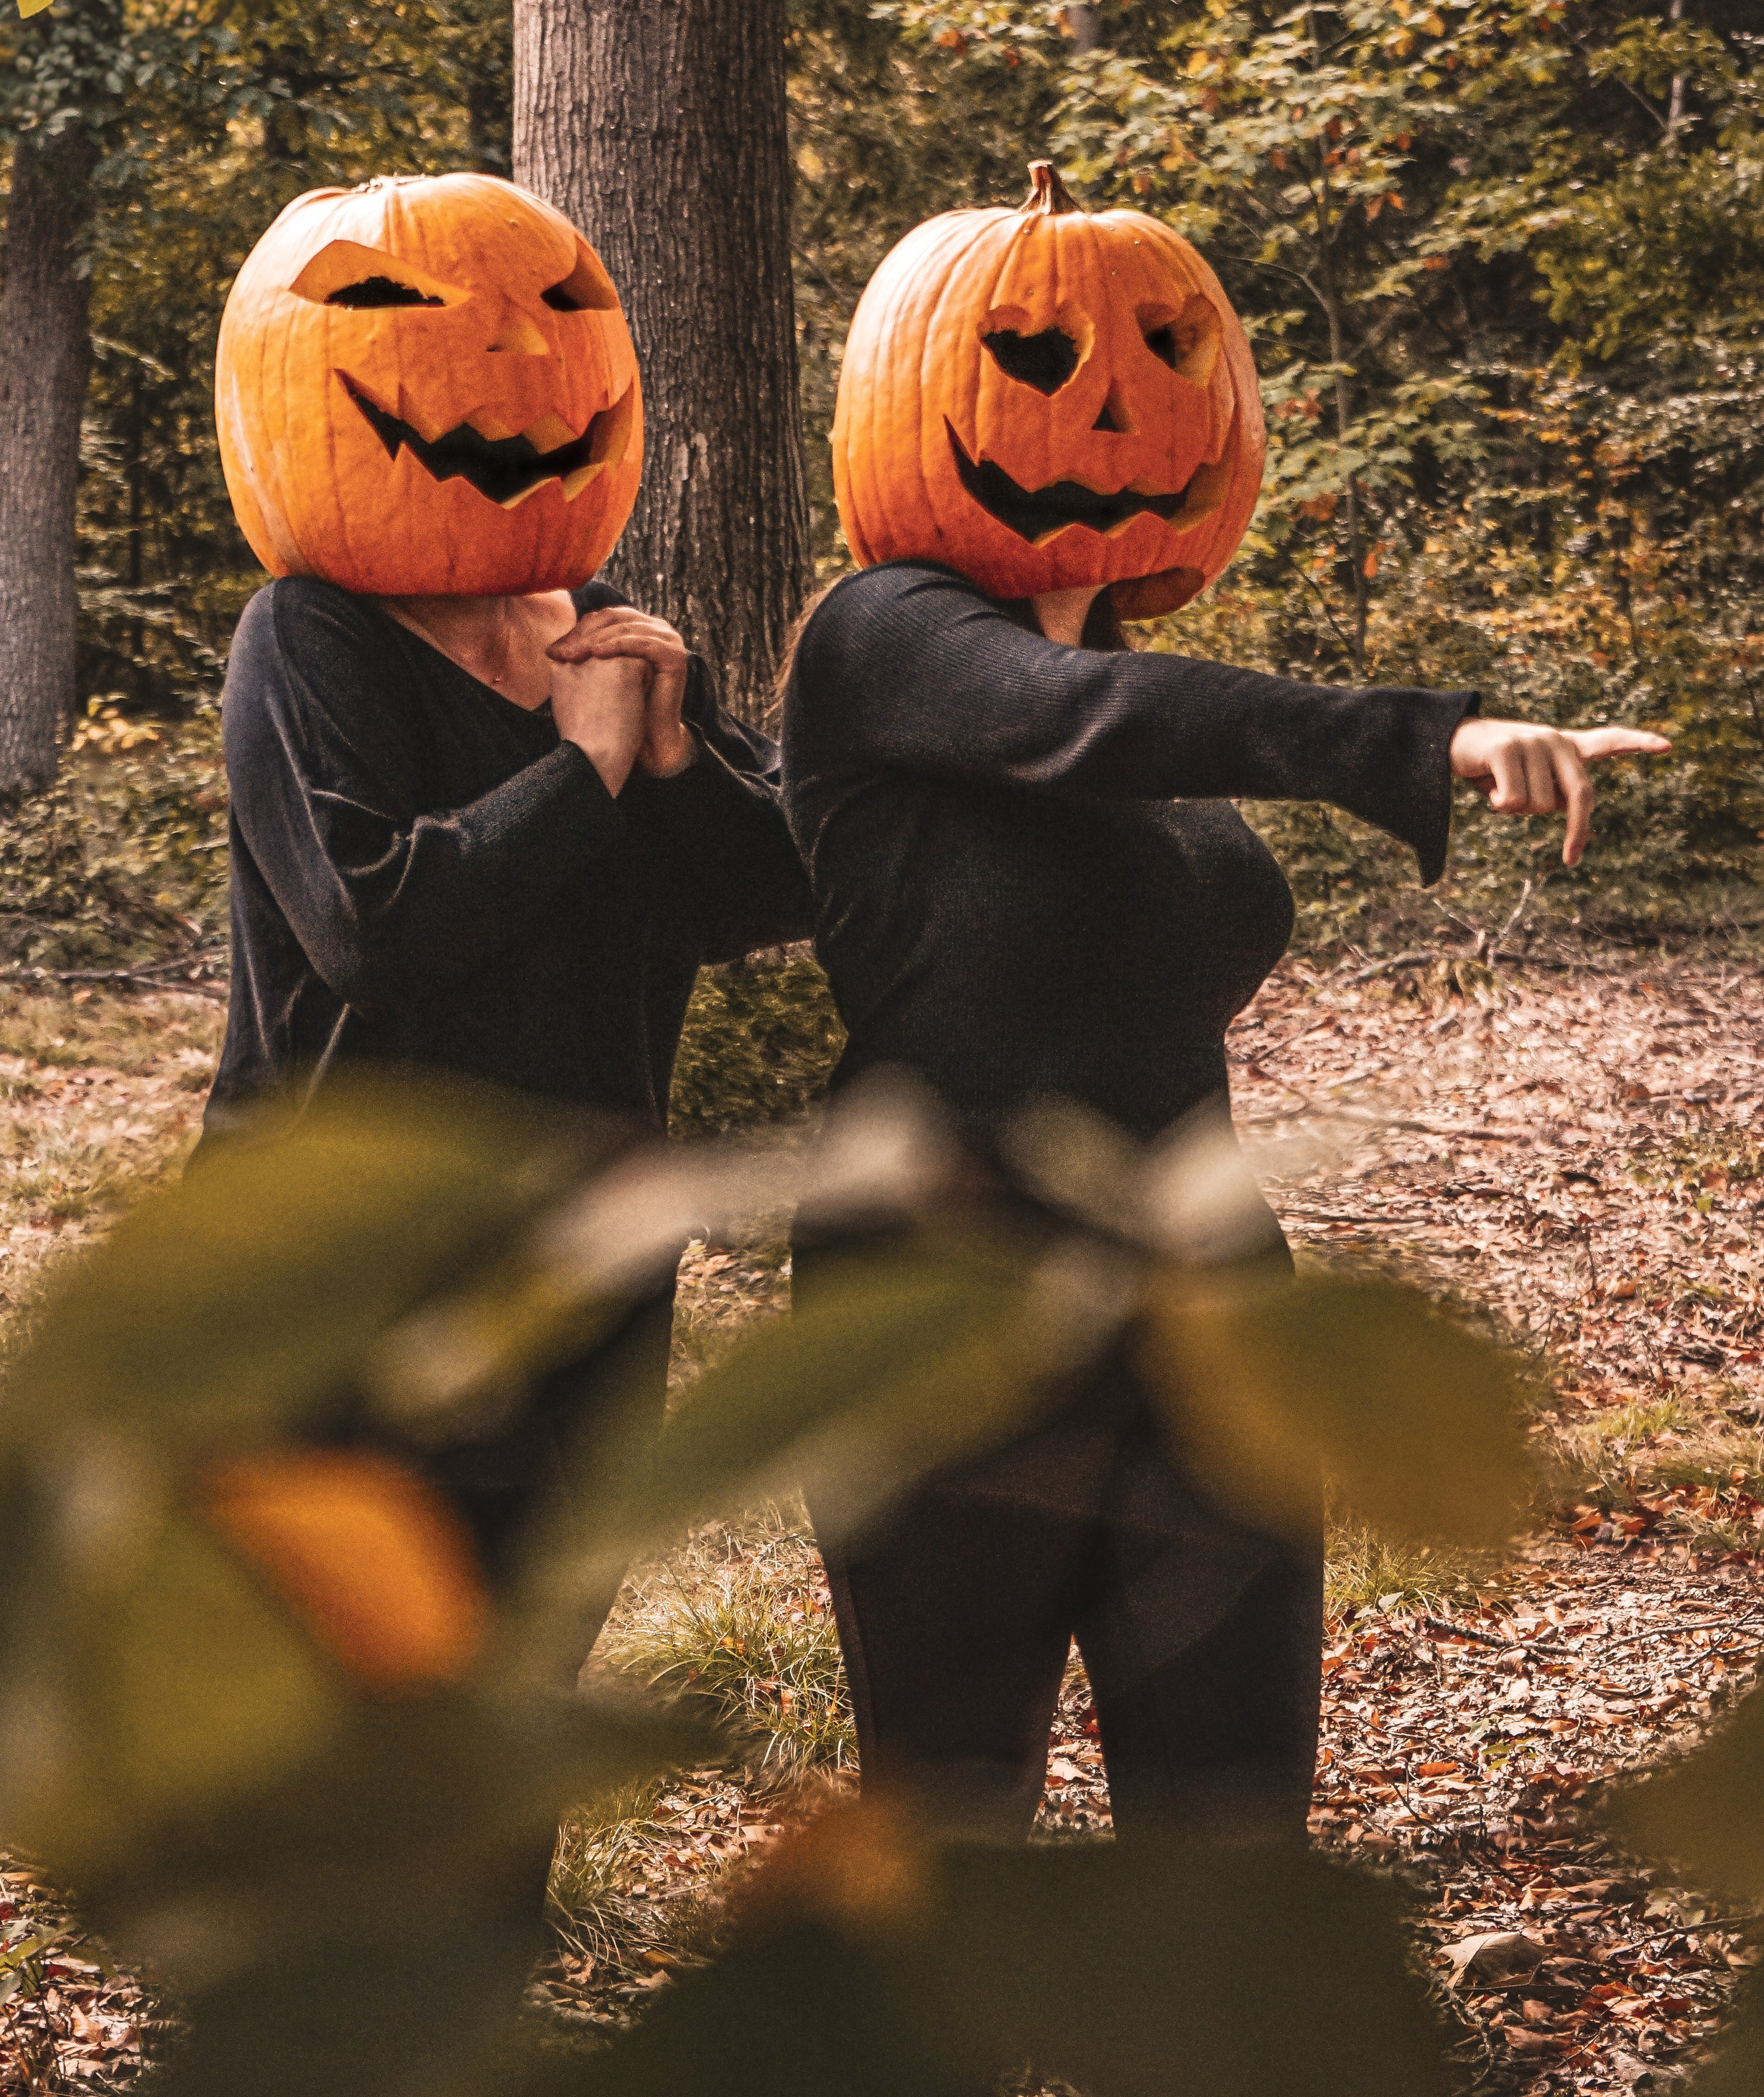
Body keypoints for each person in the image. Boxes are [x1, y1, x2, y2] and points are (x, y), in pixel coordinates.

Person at [780, 166, 1668, 1844]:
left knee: (1231, 1812)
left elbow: (1125, 723)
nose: (1117, 408)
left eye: (1168, 358)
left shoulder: (1132, 684)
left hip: (1199, 1304)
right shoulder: (881, 637)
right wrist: (1426, 738)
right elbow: (1077, 717)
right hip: (941, 1298)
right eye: (1037, 363)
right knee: (953, 1815)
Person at [202, 173, 812, 1600]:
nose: (518, 354)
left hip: (589, 1261)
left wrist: (674, 761)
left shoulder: (605, 630)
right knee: (352, 1683)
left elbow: (770, 897)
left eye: (562, 307)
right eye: (393, 308)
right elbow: (372, 928)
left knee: (530, 1661)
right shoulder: (306, 640)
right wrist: (581, 771)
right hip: (351, 1279)